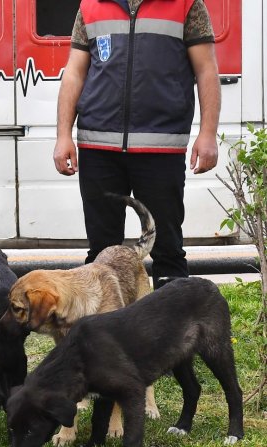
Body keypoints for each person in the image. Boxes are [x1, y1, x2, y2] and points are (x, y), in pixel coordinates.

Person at [53, 0, 220, 289]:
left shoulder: (186, 5)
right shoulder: (91, 6)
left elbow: (206, 70)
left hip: (161, 149)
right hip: (98, 148)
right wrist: (63, 135)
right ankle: (104, 330)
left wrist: (208, 134)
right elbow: (75, 72)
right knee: (101, 254)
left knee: (167, 250)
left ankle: (173, 330)